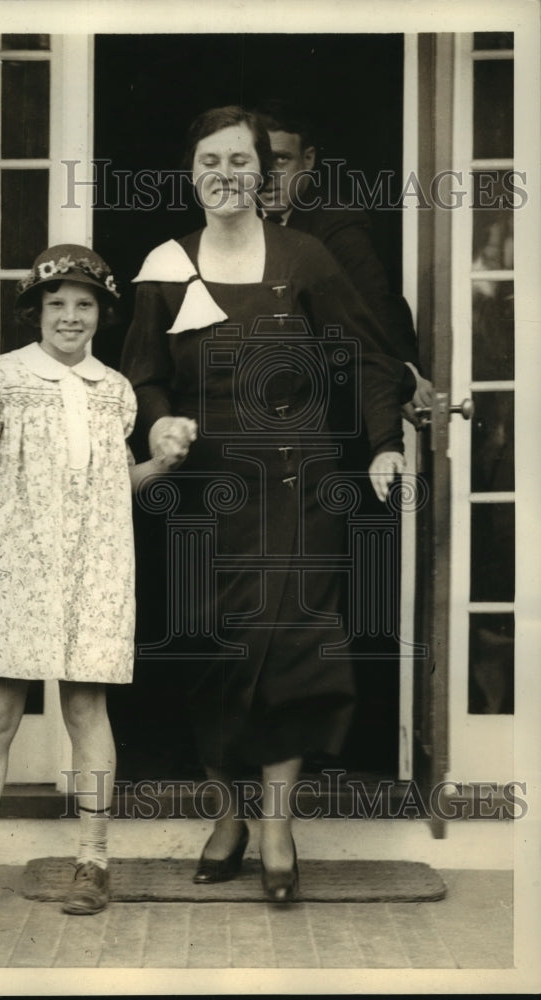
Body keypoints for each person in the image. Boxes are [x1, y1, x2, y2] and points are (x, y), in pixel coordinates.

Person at [120, 106, 411, 903]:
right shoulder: (163, 264)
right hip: (201, 490)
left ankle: (276, 823)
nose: (225, 174)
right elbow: (140, 372)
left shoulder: (305, 257)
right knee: (206, 649)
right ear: (190, 172)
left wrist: (384, 443)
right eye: (209, 159)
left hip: (297, 485)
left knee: (292, 649)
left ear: (263, 172)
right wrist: (159, 420)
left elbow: (370, 357)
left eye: (240, 161)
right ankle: (228, 812)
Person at [0, 245, 179, 918]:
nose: (70, 318)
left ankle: (92, 863)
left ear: (101, 316)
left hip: (93, 573)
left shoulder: (116, 392)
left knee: (87, 711)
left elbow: (116, 484)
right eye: (57, 305)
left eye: (84, 306)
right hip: (14, 568)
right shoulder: (1, 378)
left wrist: (159, 466)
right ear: (36, 312)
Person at [252, 99, 433, 422]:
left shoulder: (336, 222)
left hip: (322, 402)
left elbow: (376, 301)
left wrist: (404, 370)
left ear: (307, 160)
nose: (268, 176)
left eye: (280, 159)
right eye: (259, 161)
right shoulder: (234, 220)